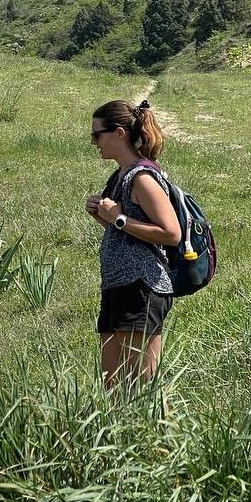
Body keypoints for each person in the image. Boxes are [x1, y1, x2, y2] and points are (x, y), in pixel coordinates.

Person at [86, 99, 181, 391]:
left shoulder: (142, 177)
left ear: (119, 134)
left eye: (96, 135)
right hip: (117, 286)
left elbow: (171, 233)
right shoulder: (119, 177)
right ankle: (124, 438)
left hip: (142, 285)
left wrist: (119, 218)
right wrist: (105, 218)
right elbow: (127, 233)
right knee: (113, 385)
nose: (94, 142)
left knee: (144, 387)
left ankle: (161, 437)